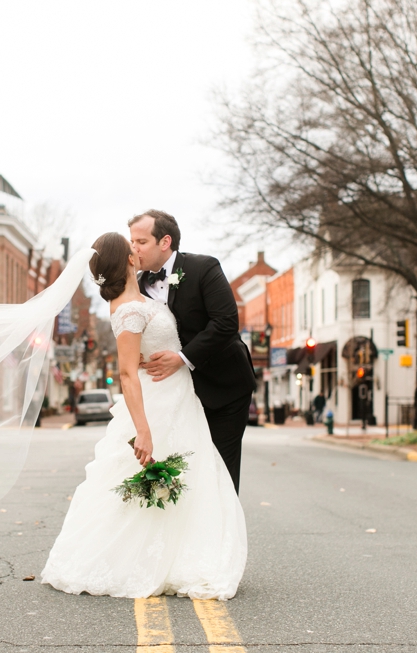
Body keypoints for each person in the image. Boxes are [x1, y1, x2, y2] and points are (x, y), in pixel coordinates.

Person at [40, 233, 247, 599]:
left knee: (193, 477)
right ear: (128, 261)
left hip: (182, 398)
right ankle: (137, 560)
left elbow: (141, 350)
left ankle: (179, 555)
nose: (137, 249)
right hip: (157, 403)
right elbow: (125, 373)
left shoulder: (140, 299)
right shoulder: (129, 308)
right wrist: (142, 430)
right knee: (157, 476)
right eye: (131, 245)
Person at [128, 210, 256, 493]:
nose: (133, 248)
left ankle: (224, 535)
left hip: (224, 388)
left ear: (165, 242)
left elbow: (226, 322)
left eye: (140, 241)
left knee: (220, 470)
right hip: (175, 396)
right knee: (185, 475)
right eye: (131, 241)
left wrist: (182, 359)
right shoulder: (135, 286)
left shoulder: (203, 268)